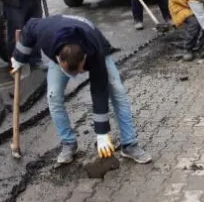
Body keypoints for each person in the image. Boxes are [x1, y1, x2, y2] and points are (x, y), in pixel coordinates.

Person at [11, 14, 152, 165]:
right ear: (59, 58)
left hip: (94, 43)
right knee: (53, 96)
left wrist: (102, 133)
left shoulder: (94, 53)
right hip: (58, 35)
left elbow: (99, 91)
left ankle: (129, 144)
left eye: (79, 71)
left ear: (84, 58)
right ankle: (68, 143)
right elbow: (29, 27)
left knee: (117, 90)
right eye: (72, 72)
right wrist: (19, 57)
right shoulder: (45, 34)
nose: (76, 76)